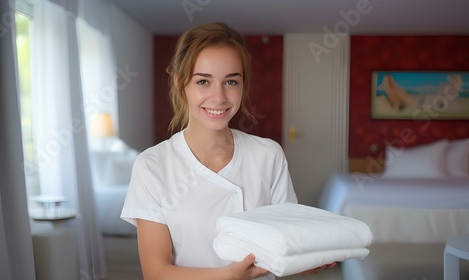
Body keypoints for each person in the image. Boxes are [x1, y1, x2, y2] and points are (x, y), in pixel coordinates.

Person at [121, 22, 336, 280]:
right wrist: (228, 276)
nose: (219, 97)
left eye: (231, 82)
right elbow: (156, 273)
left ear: (243, 85)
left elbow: (284, 242)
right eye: (203, 81)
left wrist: (303, 260)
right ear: (180, 83)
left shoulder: (268, 155)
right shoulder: (152, 166)